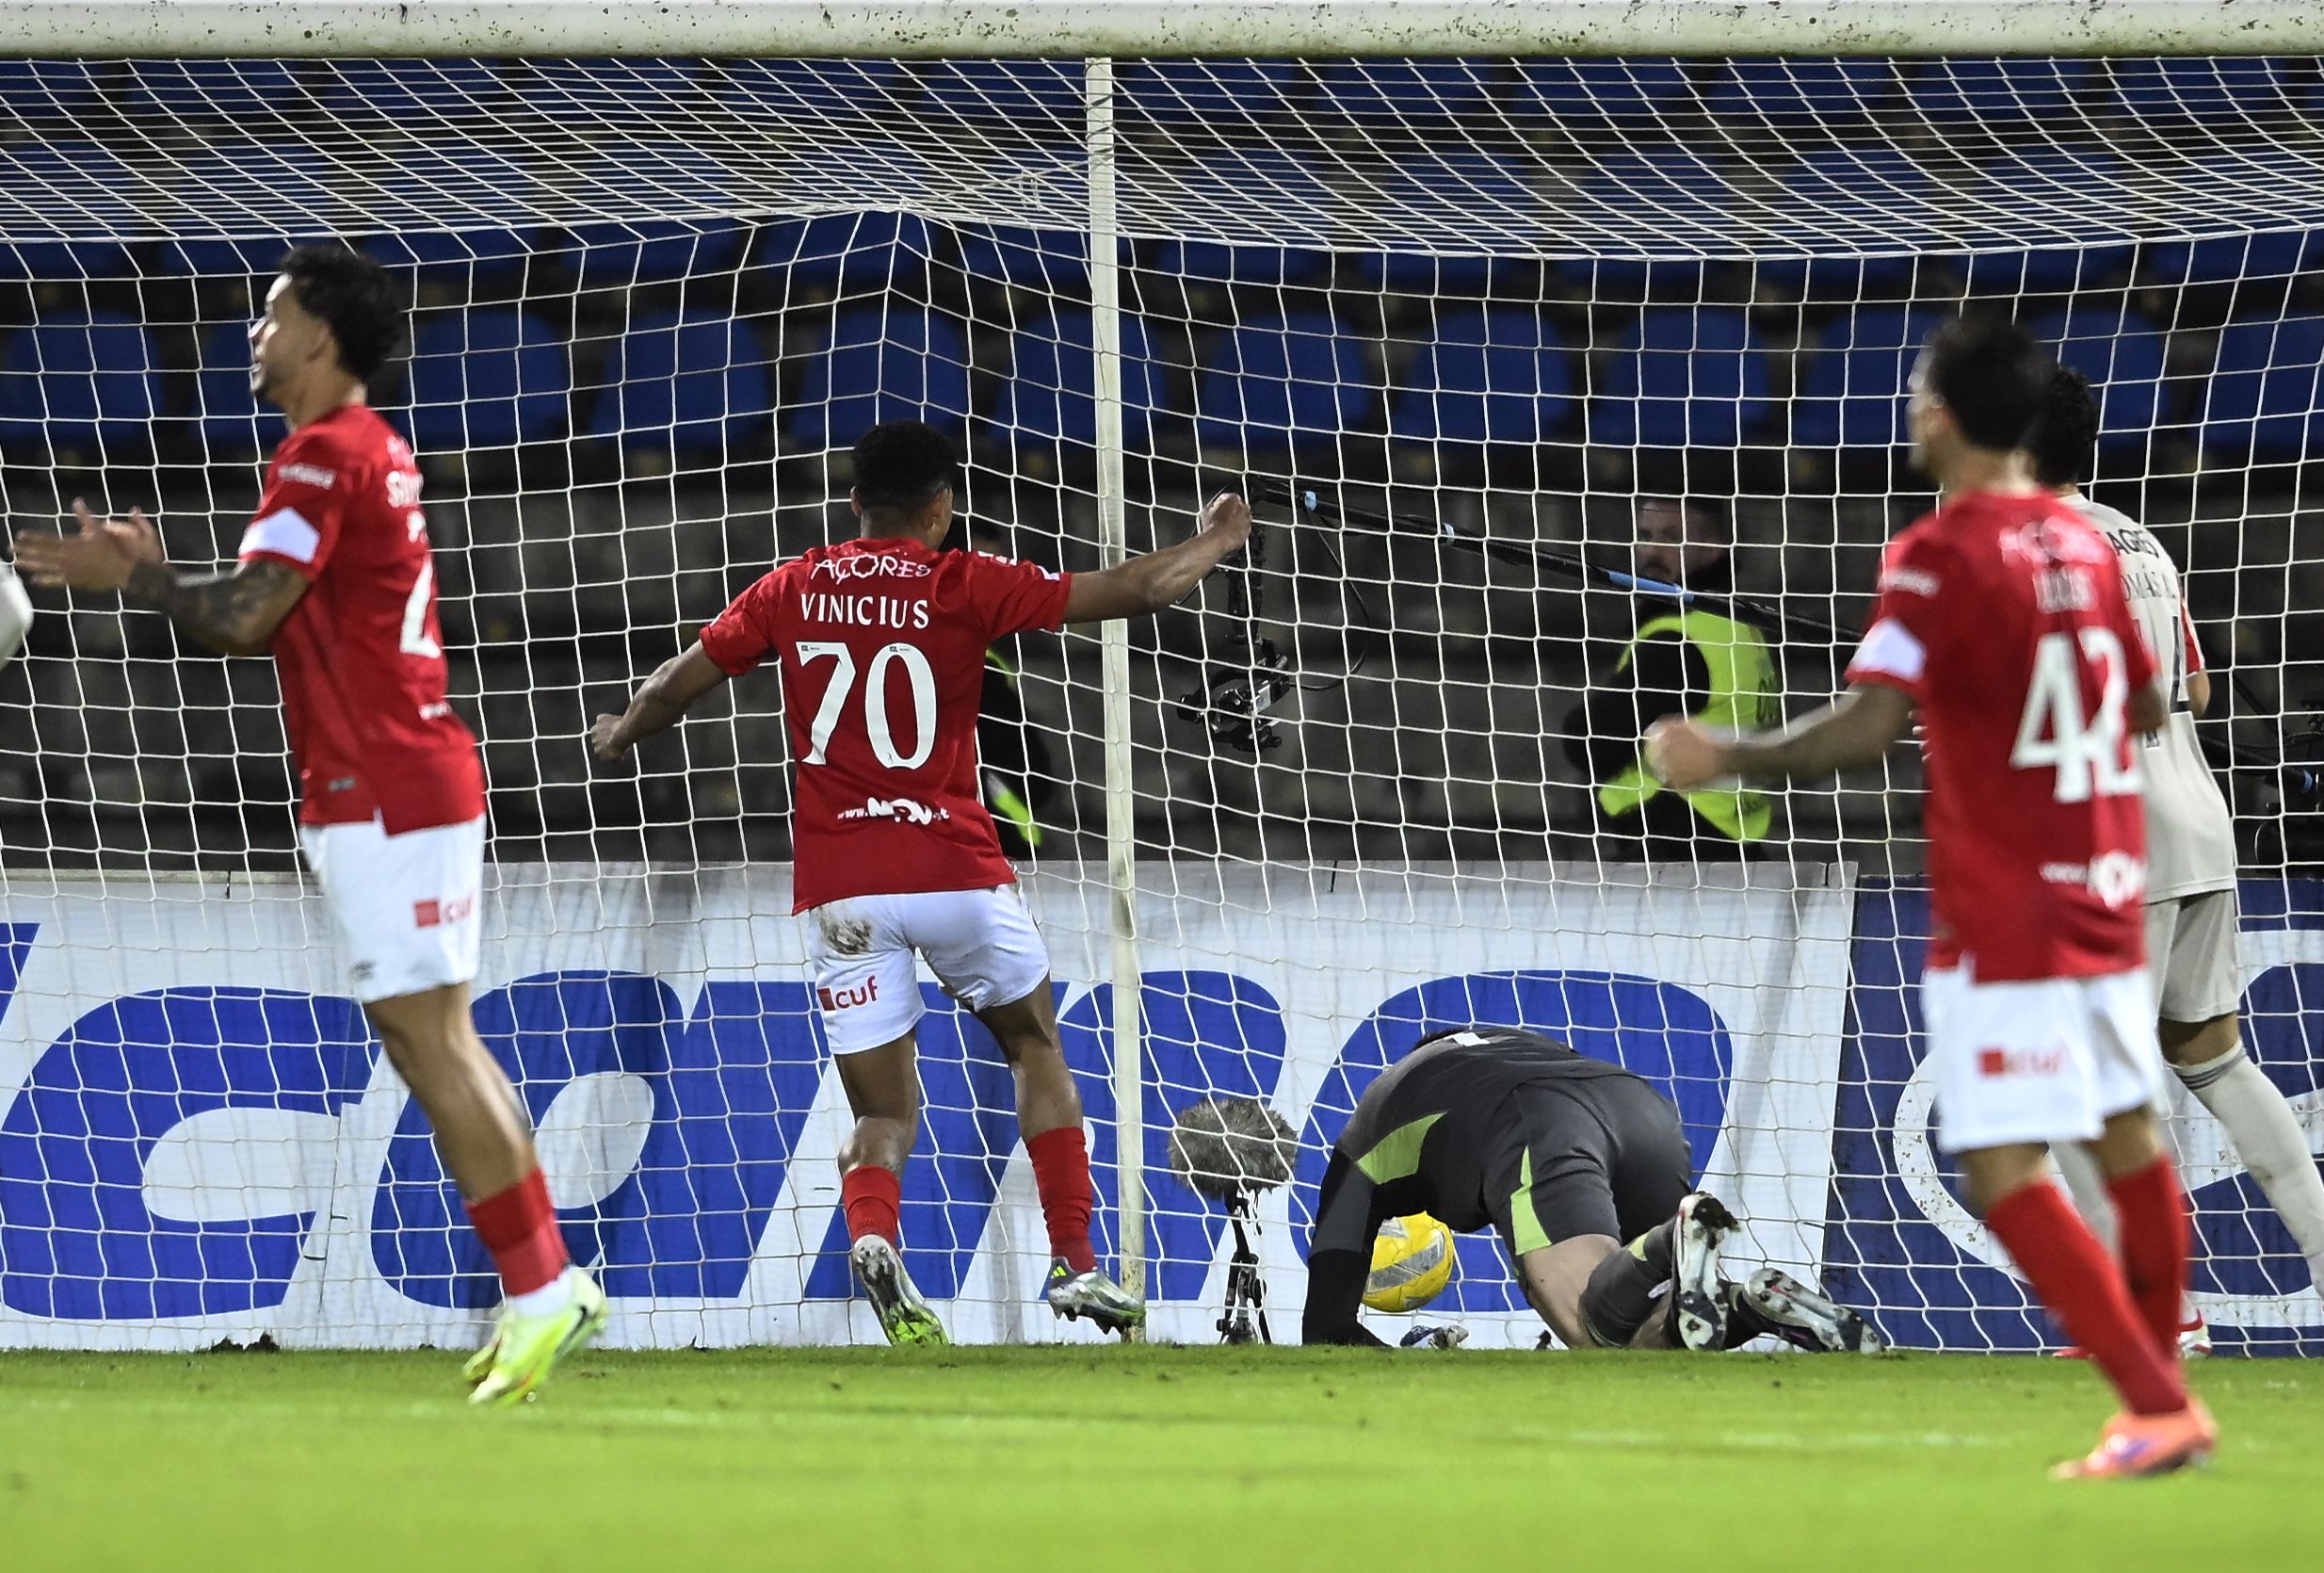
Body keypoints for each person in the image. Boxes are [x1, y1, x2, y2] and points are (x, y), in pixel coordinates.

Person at [12, 243, 601, 1405]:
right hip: (390, 782)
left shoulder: (324, 456)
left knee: (434, 1041)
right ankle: (541, 1283)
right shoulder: (361, 450)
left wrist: (133, 577)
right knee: (433, 1039)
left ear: (322, 335)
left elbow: (244, 616)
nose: (255, 332)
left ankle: (544, 1286)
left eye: (273, 314)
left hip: (390, 787)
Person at [1649, 315, 2216, 1481]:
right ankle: (2165, 1377)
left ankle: (2157, 1402)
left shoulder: (1938, 549)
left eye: (1918, 391)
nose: (1910, 408)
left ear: (1944, 416)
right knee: (2124, 1131)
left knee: (2003, 1168)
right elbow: (2148, 702)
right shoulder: (2080, 540)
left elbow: (1862, 727)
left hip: (2008, 896)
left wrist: (1726, 753)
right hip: (2107, 876)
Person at [589, 421, 1251, 1346]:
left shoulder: (792, 587)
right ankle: (1075, 1259)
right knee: (1034, 1045)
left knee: (882, 1109)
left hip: (845, 890)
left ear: (855, 500)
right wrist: (1219, 536)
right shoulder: (964, 579)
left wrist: (620, 729)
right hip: (954, 871)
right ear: (942, 506)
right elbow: (1137, 588)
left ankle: (873, 1236)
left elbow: (677, 681)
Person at [2027, 366, 2324, 1356]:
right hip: (2195, 818)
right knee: (2213, 1055)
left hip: (2111, 838)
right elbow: (2195, 685)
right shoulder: (2136, 538)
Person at [1301, 1025, 1880, 1354]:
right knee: (1653, 1334)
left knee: (1593, 1330)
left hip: (1536, 1123)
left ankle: (1667, 1240)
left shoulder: (1370, 1125)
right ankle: (1750, 1305)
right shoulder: (1514, 1045)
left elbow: (1326, 1329)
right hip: (1641, 1109)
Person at [1564, 496, 1782, 860]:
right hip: (1733, 839)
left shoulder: (1679, 640)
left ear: (1712, 548)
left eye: (1670, 538)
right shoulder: (1739, 627)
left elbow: (1589, 738)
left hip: (1677, 845)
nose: (1651, 551)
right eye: (1645, 536)